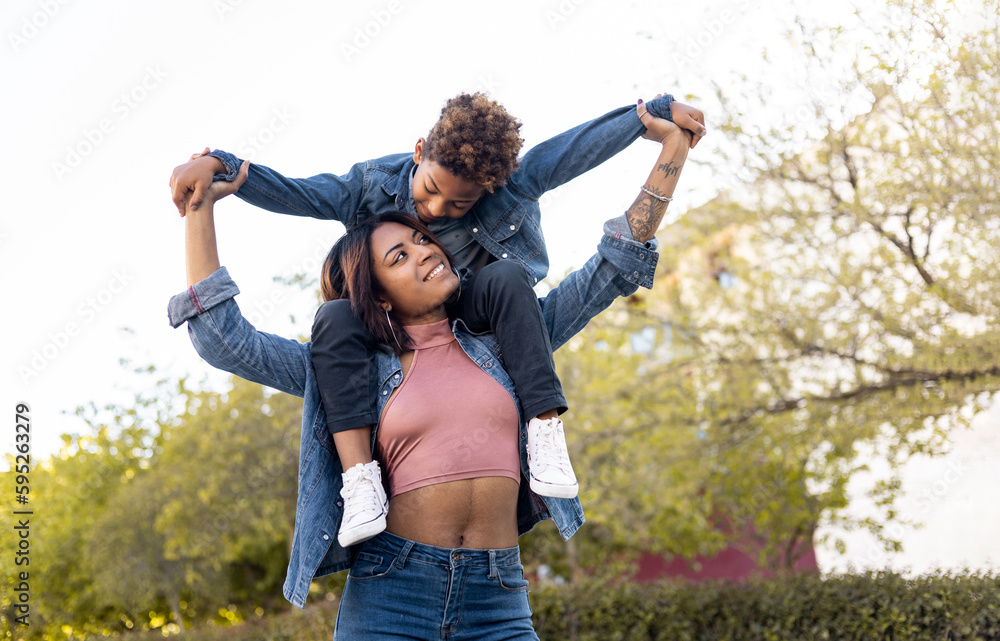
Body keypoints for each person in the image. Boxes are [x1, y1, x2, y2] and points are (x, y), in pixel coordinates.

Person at [168, 111, 692, 638]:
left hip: (499, 598)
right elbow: (225, 341)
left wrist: (672, 152)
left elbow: (611, 268)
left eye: (424, 242)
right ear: (376, 294)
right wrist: (200, 208)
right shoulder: (352, 369)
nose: (426, 252)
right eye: (399, 255)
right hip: (390, 593)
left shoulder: (510, 342)